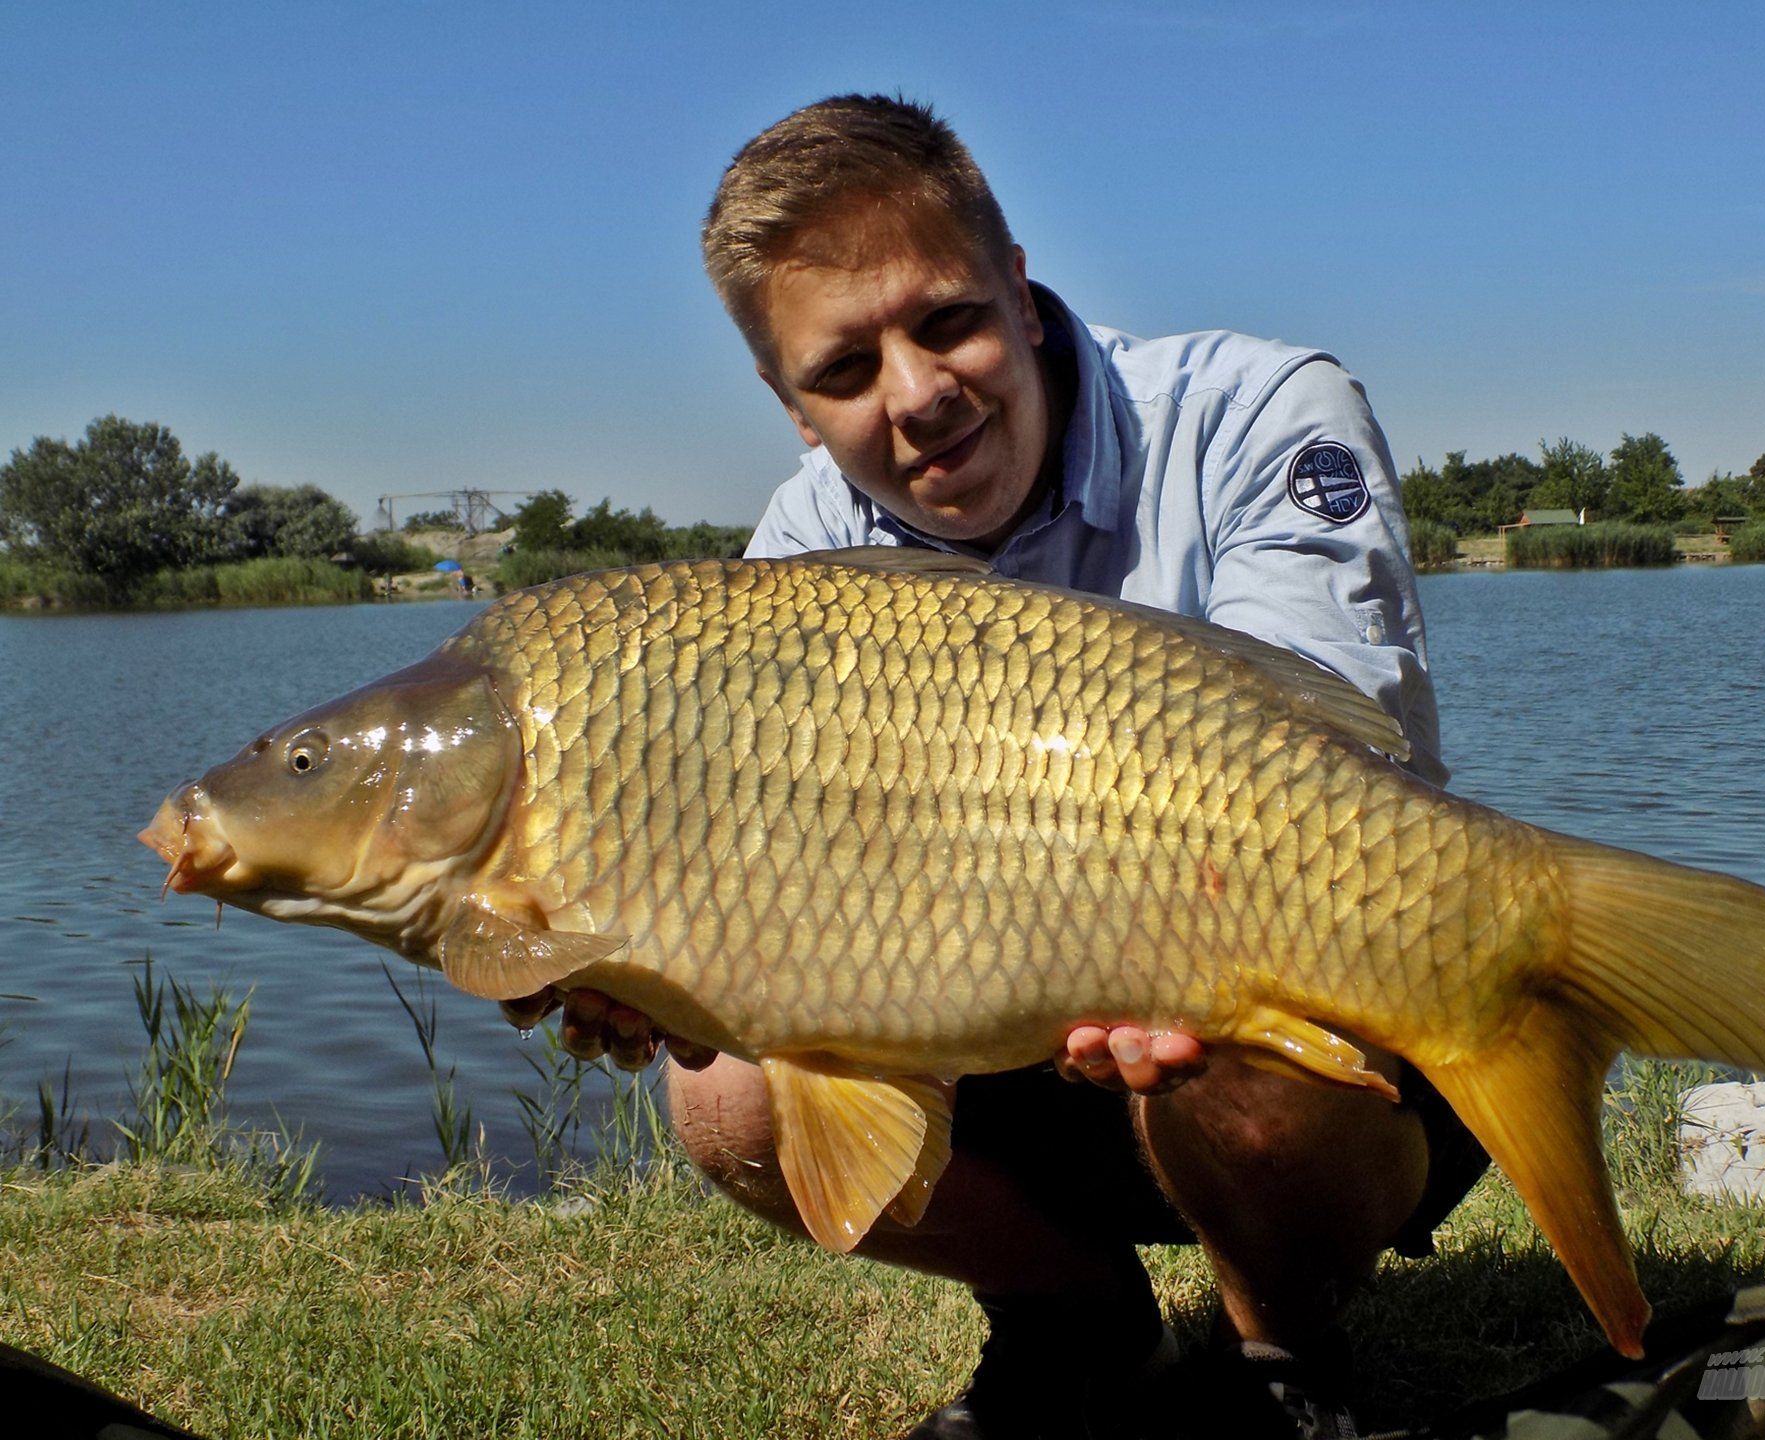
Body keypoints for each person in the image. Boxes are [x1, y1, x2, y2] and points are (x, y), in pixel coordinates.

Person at [500, 94, 1487, 1440]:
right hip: (1003, 1019)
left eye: (945, 319)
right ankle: (1072, 1325)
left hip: (1308, 1000)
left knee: (1247, 1053)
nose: (916, 395)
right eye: (844, 372)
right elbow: (793, 892)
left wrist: (1155, 940)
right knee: (727, 1090)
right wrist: (659, 963)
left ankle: (1283, 1359)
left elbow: (1347, 778)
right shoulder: (797, 548)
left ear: (1021, 294)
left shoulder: (1258, 412)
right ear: (788, 404)